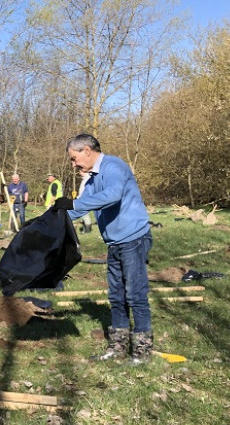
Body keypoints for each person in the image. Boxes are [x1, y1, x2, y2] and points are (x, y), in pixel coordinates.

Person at [54, 133, 153, 363]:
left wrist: (73, 203)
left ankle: (142, 352)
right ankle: (118, 347)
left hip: (133, 239)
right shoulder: (92, 177)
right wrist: (52, 218)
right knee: (116, 296)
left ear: (87, 150)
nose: (73, 164)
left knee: (135, 295)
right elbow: (80, 208)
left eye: (73, 158)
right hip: (115, 243)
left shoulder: (113, 167)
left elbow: (113, 195)